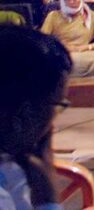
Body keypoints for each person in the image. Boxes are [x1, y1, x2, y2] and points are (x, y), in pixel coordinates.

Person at [0, 25, 72, 210]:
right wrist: (48, 199)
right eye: (58, 105)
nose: (53, 124)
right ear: (24, 113)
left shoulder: (12, 166)